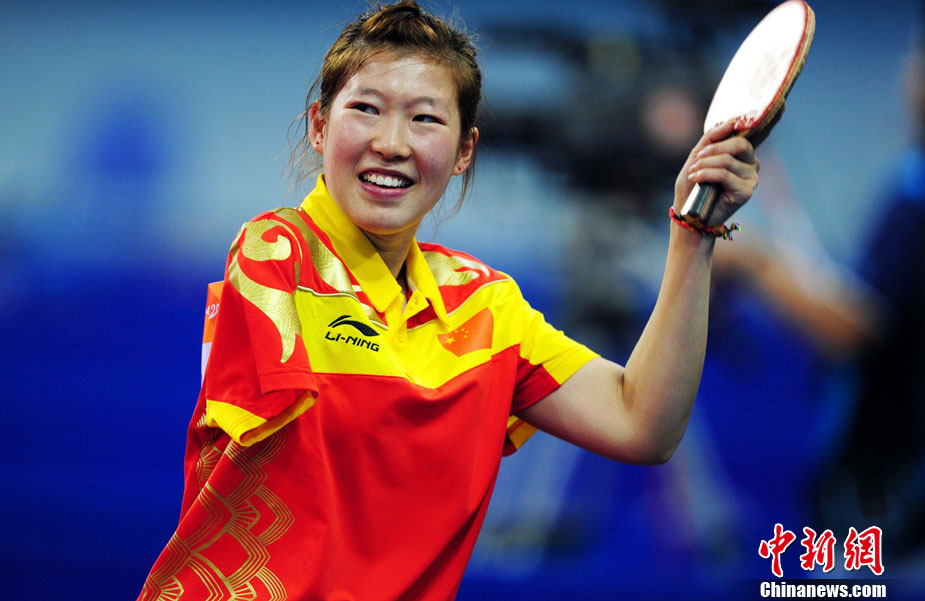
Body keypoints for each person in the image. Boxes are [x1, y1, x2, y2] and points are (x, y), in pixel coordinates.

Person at [137, 1, 759, 599]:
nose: (392, 142)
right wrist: (472, 386)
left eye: (426, 119)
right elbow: (368, 420)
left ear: (465, 151)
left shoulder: (484, 305)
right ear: (319, 126)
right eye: (366, 109)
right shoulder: (274, 252)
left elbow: (640, 423)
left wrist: (692, 234)